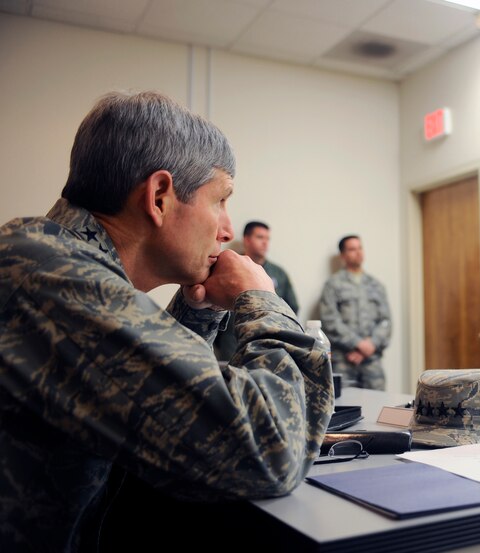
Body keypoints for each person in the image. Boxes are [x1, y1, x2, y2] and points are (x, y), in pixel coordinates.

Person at [0, 91, 334, 553]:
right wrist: (262, 301)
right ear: (159, 197)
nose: (227, 230)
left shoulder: (47, 261)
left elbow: (152, 402)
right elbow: (270, 450)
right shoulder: (50, 277)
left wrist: (201, 309)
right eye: (220, 200)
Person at [214, 220, 299, 361]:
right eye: (260, 237)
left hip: (269, 345)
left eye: (267, 238)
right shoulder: (228, 267)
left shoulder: (278, 273)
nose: (265, 243)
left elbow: (292, 308)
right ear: (246, 240)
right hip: (232, 343)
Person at [320, 235, 392, 390]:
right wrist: (358, 344)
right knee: (344, 403)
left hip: (372, 360)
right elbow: (330, 320)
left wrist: (370, 345)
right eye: (352, 249)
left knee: (379, 402)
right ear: (343, 255)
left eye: (360, 248)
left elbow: (386, 321)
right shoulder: (333, 284)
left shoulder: (376, 285)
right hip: (344, 360)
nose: (358, 252)